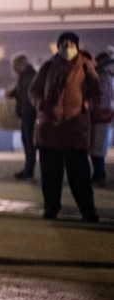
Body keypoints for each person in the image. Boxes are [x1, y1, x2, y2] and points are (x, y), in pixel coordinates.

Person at [28, 32, 100, 221]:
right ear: (58, 45)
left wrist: (86, 105)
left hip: (74, 130)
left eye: (71, 43)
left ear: (77, 46)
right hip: (49, 129)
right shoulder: (48, 66)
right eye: (64, 43)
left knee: (80, 175)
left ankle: (87, 209)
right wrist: (40, 104)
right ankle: (51, 208)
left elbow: (96, 92)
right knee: (50, 175)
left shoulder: (86, 66)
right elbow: (34, 90)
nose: (67, 47)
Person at [7, 54, 38, 180]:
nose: (13, 69)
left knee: (29, 143)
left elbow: (29, 97)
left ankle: (29, 170)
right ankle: (28, 169)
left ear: (21, 65)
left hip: (29, 115)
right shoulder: (25, 76)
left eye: (15, 66)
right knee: (27, 142)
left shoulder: (29, 77)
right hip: (26, 114)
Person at [89, 49, 113, 187]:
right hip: (104, 115)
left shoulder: (100, 77)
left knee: (95, 149)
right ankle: (98, 175)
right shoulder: (109, 77)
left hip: (98, 115)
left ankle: (99, 176)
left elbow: (98, 98)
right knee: (98, 148)